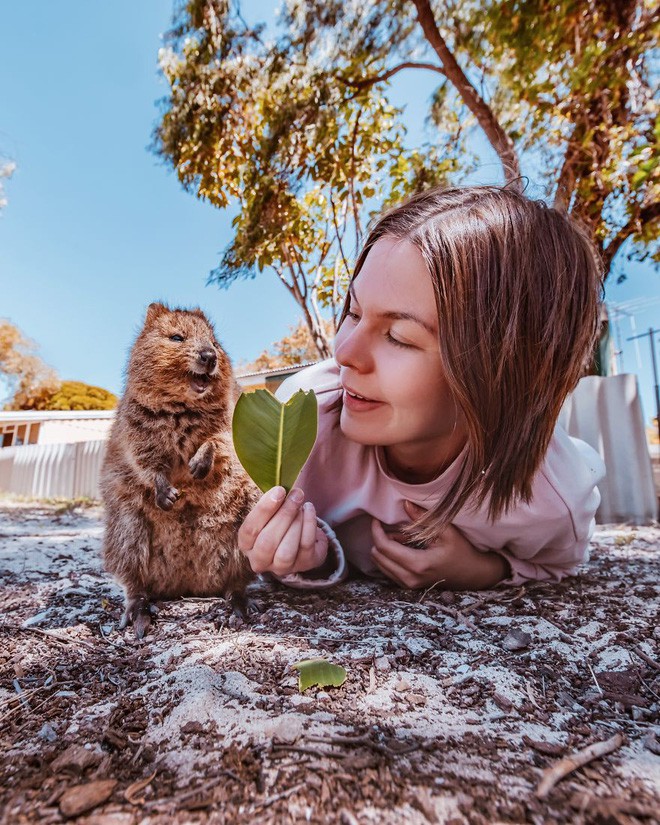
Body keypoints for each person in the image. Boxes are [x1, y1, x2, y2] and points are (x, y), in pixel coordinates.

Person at [237, 185, 605, 591]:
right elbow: (262, 547)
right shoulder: (303, 427)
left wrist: (484, 569)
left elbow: (562, 564)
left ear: (505, 371)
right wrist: (303, 558)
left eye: (399, 337)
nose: (345, 353)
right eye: (354, 313)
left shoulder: (550, 497)